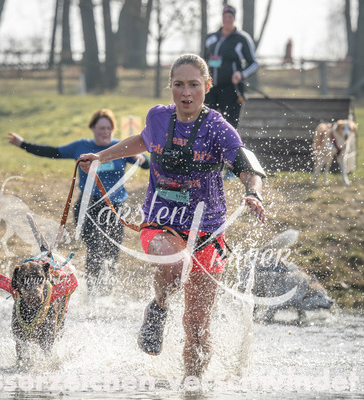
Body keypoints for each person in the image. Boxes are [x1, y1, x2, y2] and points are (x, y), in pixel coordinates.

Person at [78, 54, 266, 378]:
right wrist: (101, 156)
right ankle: (159, 307)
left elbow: (248, 167)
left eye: (194, 84)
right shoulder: (158, 117)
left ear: (207, 86)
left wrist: (253, 192)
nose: (186, 92)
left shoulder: (218, 127)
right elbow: (142, 140)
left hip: (207, 232)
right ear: (170, 86)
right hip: (161, 221)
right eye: (179, 84)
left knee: (197, 327)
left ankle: (193, 393)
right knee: (175, 261)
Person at [7, 109, 149, 296]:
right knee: (96, 249)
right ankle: (92, 294)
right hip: (88, 206)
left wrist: (141, 159)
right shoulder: (81, 146)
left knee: (112, 252)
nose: (105, 132)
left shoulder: (119, 147)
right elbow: (53, 152)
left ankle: (106, 294)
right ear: (93, 128)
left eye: (109, 128)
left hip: (115, 208)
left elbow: (146, 164)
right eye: (101, 128)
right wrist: (23, 144)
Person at [203, 4, 259, 129]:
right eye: (225, 17)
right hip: (210, 88)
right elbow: (203, 61)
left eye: (230, 17)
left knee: (229, 125)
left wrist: (241, 74)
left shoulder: (242, 39)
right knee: (206, 123)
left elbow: (254, 63)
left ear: (234, 19)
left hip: (231, 89)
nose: (227, 20)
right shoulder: (211, 37)